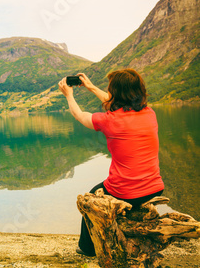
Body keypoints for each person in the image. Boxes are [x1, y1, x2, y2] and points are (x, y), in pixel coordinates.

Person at [58, 69, 164, 256]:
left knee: (90, 197)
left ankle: (87, 248)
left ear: (115, 93)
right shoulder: (150, 113)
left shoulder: (110, 120)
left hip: (126, 192)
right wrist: (91, 87)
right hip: (155, 187)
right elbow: (118, 102)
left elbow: (80, 115)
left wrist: (69, 95)